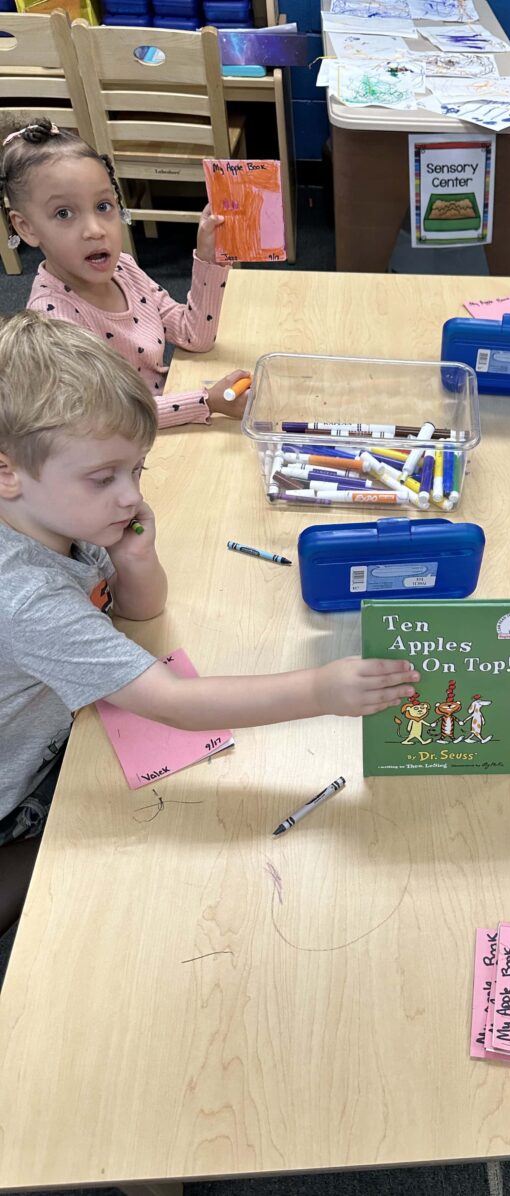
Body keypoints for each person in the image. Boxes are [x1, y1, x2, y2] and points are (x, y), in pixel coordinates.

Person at [0, 312, 419, 933]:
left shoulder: (60, 517)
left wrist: (133, 557)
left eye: (135, 470)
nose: (129, 496)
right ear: (6, 472)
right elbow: (173, 704)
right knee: (118, 859)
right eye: (103, 477)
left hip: (56, 724)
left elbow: (141, 613)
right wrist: (320, 690)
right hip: (18, 787)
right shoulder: (25, 595)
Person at [0, 118, 249, 430]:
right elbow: (106, 420)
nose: (94, 230)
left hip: (166, 422)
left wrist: (209, 259)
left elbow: (194, 335)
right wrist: (205, 401)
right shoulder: (54, 321)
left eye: (103, 206)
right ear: (26, 227)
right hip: (122, 448)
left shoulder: (124, 268)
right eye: (64, 213)